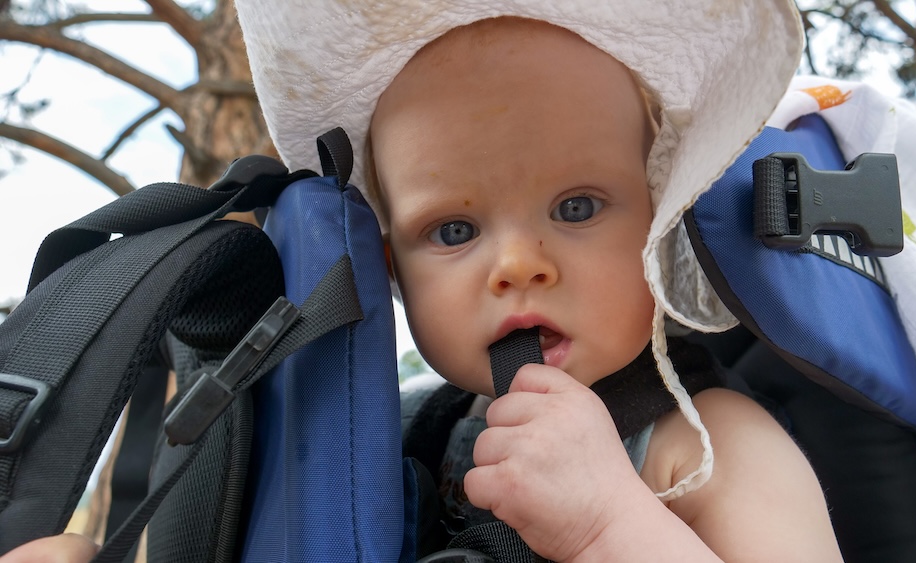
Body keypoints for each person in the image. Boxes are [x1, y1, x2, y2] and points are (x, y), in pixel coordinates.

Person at [8, 2, 845, 562]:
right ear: (393, 274)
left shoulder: (702, 443)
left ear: (660, 225)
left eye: (579, 205)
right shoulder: (407, 436)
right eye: (453, 230)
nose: (519, 263)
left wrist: (607, 521)